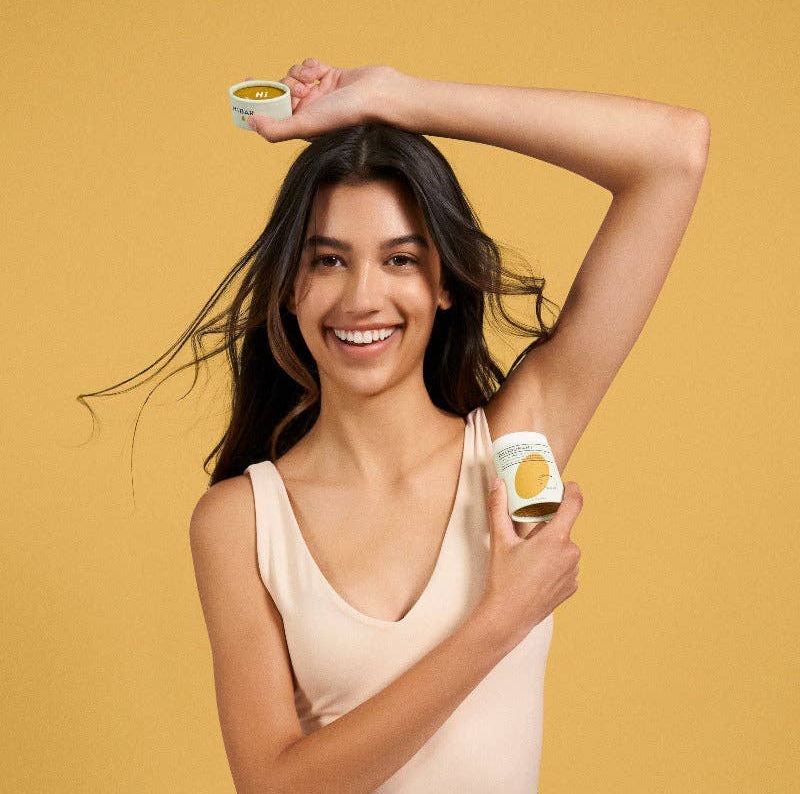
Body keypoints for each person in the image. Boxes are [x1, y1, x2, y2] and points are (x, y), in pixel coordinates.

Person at [186, 59, 709, 793]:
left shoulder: (515, 442)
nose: (362, 297)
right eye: (329, 260)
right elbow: (273, 787)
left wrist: (399, 100)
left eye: (400, 259)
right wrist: (499, 622)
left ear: (445, 286)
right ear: (290, 288)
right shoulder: (241, 520)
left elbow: (673, 152)